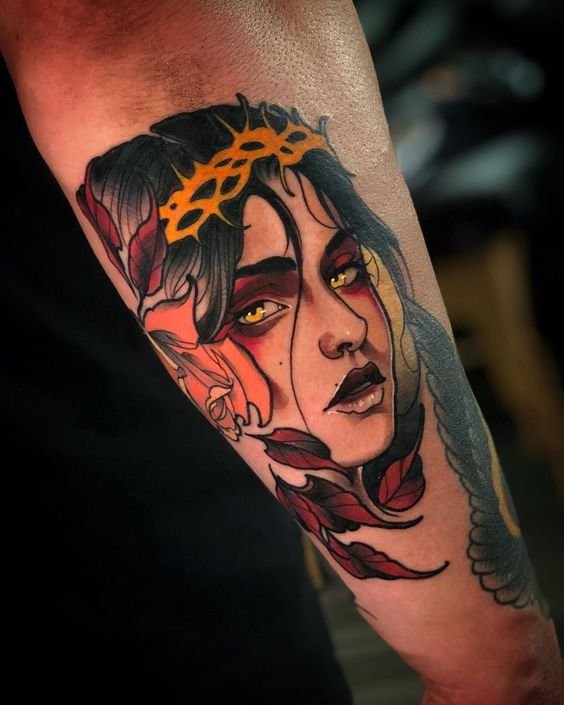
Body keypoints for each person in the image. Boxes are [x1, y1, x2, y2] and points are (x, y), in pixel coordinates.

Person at [1, 2, 562, 703]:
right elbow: (126, 27)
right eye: (261, 308)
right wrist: (498, 656)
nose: (344, 328)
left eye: (346, 270)